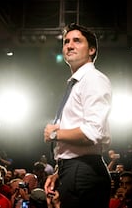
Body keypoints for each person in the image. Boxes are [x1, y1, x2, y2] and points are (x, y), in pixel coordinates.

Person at [43, 23, 112, 208]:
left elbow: (93, 132)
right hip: (74, 170)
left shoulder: (93, 79)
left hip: (84, 172)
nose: (69, 45)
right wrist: (59, 172)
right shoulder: (76, 83)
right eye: (66, 42)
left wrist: (55, 134)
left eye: (76, 41)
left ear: (92, 49)